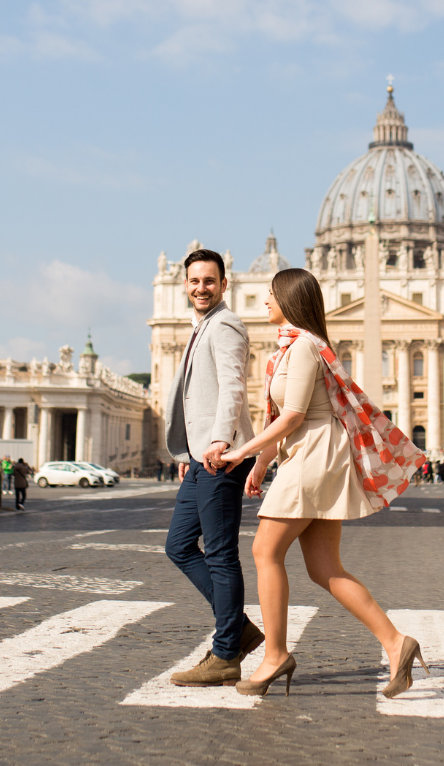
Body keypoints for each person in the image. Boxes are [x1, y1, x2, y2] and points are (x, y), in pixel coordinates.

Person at [221, 267, 427, 699]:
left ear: (290, 299)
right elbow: (284, 420)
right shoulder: (300, 346)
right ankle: (396, 643)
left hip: (313, 455)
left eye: (271, 294)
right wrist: (261, 466)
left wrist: (240, 453)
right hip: (311, 452)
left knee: (264, 549)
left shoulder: (302, 349)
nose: (264, 302)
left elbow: (294, 415)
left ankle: (275, 655)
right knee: (324, 568)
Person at [163, 248, 259, 688]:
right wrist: (188, 451)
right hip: (200, 455)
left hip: (222, 454)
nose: (200, 287)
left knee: (220, 554)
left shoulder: (226, 325)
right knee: (179, 545)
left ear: (224, 284)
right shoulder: (201, 326)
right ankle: (237, 629)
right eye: (194, 280)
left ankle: (225, 654)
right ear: (186, 284)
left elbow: (233, 387)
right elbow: (194, 397)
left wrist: (219, 439)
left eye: (209, 281)